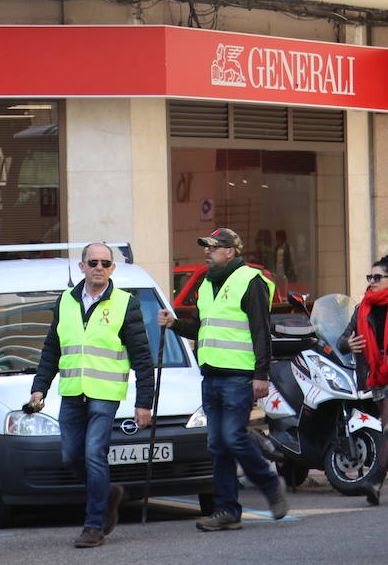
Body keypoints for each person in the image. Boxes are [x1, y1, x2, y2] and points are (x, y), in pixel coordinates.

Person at [156, 227, 289, 531]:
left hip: (239, 377)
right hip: (211, 376)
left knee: (231, 437)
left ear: (231, 252)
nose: (207, 252)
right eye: (206, 247)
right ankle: (227, 509)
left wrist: (261, 375)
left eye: (214, 247)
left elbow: (260, 332)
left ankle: (269, 485)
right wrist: (174, 324)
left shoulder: (250, 282)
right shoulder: (205, 284)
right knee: (217, 445)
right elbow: (201, 329)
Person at [27, 242, 154, 548]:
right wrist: (39, 387)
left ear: (112, 269)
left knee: (93, 453)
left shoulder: (126, 303)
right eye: (93, 262)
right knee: (71, 455)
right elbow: (52, 349)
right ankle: (107, 494)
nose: (99, 268)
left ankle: (94, 525)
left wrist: (143, 403)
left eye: (105, 263)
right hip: (72, 391)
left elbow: (142, 357)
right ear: (81, 267)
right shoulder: (65, 302)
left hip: (105, 393)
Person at [338, 255, 388, 505]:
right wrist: (349, 343)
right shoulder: (363, 307)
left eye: (377, 277)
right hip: (378, 375)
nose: (372, 281)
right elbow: (342, 340)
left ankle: (375, 480)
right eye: (370, 277)